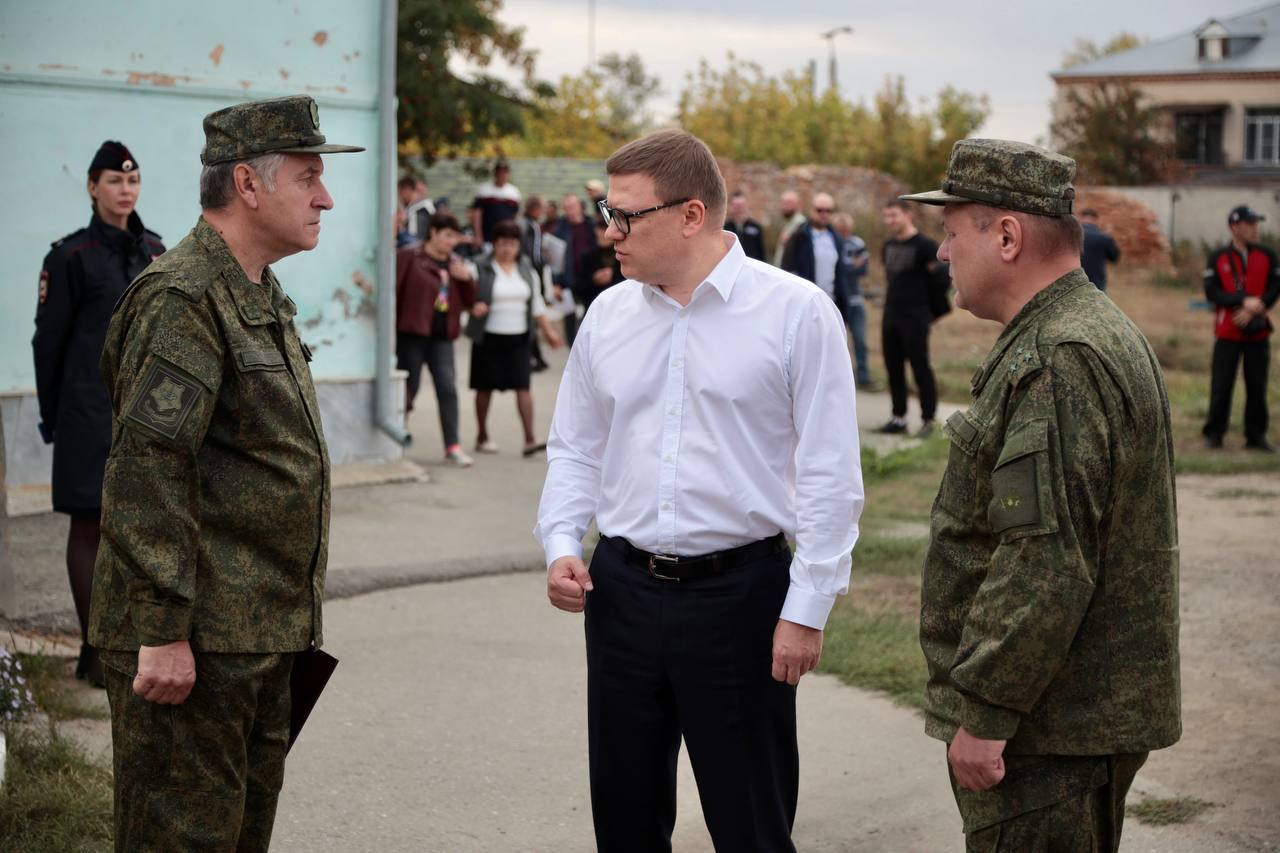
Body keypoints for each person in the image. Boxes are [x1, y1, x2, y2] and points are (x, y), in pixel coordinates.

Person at [535, 129, 862, 852]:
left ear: (690, 215)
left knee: (750, 821)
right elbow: (577, 448)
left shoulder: (796, 312)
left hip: (740, 599)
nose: (607, 230)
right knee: (624, 818)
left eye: (624, 215)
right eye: (604, 209)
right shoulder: (608, 315)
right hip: (619, 593)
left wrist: (806, 608)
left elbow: (831, 474)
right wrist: (562, 541)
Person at [89, 94, 362, 851]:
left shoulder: (258, 292)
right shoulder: (184, 299)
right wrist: (162, 629)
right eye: (308, 176)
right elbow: (148, 470)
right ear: (248, 184)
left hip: (257, 638)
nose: (326, 195)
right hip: (196, 647)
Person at [905, 138, 1180, 852]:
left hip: (1049, 731)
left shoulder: (1059, 357)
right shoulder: (1082, 330)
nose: (941, 252)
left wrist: (989, 709)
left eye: (951, 230)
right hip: (1068, 719)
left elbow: (1046, 558)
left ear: (1007, 235)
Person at [32, 140, 165, 689]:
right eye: (114, 181)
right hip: (87, 411)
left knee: (140, 528)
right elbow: (49, 342)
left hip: (146, 413)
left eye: (132, 181)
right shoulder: (69, 257)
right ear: (93, 187)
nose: (125, 190)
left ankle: (131, 646)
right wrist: (51, 414)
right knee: (89, 524)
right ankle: (92, 650)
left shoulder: (157, 251)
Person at [467, 220, 563, 456]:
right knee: (484, 388)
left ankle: (530, 438)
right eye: (502, 244)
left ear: (518, 245)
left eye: (512, 244)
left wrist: (549, 331)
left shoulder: (526, 270)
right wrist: (471, 306)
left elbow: (537, 304)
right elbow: (465, 294)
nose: (507, 249)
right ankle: (482, 435)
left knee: (523, 386)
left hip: (519, 337)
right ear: (494, 245)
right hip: (488, 336)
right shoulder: (479, 267)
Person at [396, 213, 478, 466]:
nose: (452, 242)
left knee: (448, 388)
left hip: (442, 336)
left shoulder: (455, 263)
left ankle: (452, 445)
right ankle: (396, 436)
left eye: (455, 237)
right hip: (412, 333)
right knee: (408, 389)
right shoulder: (411, 256)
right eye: (447, 235)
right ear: (433, 232)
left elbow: (469, 302)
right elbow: (394, 291)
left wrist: (467, 280)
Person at [1202, 204, 1278, 451]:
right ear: (1235, 226)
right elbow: (1212, 292)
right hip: (1228, 331)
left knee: (1257, 385)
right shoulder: (1218, 257)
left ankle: (1256, 436)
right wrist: (1241, 301)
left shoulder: (1268, 255)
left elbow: (1275, 287)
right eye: (1250, 223)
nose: (1256, 228)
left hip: (1258, 331)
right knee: (1221, 384)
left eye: (1257, 223)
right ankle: (1214, 434)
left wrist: (1257, 306)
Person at [879, 200, 941, 436]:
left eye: (894, 215)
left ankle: (928, 420)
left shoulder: (925, 246)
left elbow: (941, 281)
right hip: (891, 317)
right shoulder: (887, 246)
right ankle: (898, 418)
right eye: (887, 216)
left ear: (908, 215)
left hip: (915, 318)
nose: (890, 221)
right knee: (893, 369)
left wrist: (930, 313)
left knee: (920, 368)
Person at [783, 192, 849, 319]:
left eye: (828, 211)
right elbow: (788, 269)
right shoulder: (799, 236)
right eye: (819, 210)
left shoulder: (836, 238)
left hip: (830, 303)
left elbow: (840, 274)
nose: (823, 214)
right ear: (812, 210)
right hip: (805, 304)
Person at [831, 212, 876, 389]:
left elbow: (862, 269)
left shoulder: (857, 243)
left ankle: (864, 377)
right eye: (840, 231)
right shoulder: (831, 243)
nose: (844, 235)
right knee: (836, 343)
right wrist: (850, 266)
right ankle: (838, 380)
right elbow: (839, 270)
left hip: (856, 299)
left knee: (860, 340)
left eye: (846, 231)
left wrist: (847, 267)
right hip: (838, 300)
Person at [551, 193, 595, 346]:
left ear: (580, 207)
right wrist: (556, 283)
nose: (570, 211)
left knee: (590, 313)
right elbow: (555, 259)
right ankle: (573, 350)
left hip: (589, 278)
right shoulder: (560, 228)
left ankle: (588, 347)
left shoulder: (591, 225)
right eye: (566, 208)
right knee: (569, 317)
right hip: (568, 278)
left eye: (572, 207)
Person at [519, 195, 551, 372]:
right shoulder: (532, 226)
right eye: (542, 207)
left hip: (527, 270)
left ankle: (536, 356)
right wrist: (540, 265)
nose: (545, 210)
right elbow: (533, 254)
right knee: (532, 315)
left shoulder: (525, 223)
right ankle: (535, 357)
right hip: (530, 272)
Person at [575, 216, 625, 316]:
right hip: (595, 311)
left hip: (620, 309)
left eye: (604, 229)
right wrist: (594, 280)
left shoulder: (623, 254)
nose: (603, 234)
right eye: (599, 229)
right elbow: (579, 288)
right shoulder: (588, 256)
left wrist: (613, 276)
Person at [469, 160, 521, 249]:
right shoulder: (484, 191)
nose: (502, 175)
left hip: (506, 237)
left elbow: (516, 216)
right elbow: (476, 214)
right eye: (500, 172)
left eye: (505, 172)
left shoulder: (514, 193)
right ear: (495, 174)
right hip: (487, 237)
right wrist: (478, 235)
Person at [1078, 208, 1120, 292]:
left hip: (1075, 281)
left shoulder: (1071, 236)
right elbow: (1115, 258)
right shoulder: (1104, 238)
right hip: (1097, 283)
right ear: (1096, 219)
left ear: (1081, 218)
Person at [725, 190, 766, 261]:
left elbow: (761, 253)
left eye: (741, 205)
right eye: (736, 206)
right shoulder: (725, 227)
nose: (739, 209)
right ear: (731, 206)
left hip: (751, 265)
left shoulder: (755, 227)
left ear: (746, 205)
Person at [773, 189, 806, 266]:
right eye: (783, 203)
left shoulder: (801, 224)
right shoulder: (786, 222)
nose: (785, 206)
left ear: (797, 204)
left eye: (789, 203)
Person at [403, 176, 435, 245]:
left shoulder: (424, 209)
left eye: (420, 191)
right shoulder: (409, 208)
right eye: (417, 190)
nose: (417, 194)